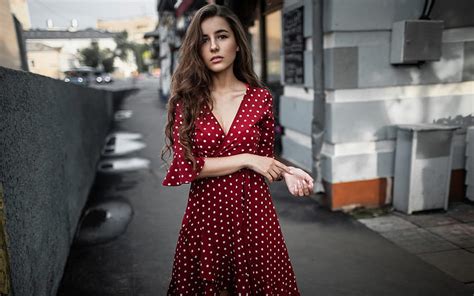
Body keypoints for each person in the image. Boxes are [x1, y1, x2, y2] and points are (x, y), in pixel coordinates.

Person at [161, 4, 313, 295]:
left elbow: (264, 159)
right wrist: (246, 158)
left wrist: (288, 171)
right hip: (207, 217)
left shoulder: (260, 99)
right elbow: (186, 166)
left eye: (222, 36)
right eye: (204, 39)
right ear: (197, 48)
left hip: (254, 213)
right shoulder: (188, 101)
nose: (214, 46)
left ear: (238, 44)